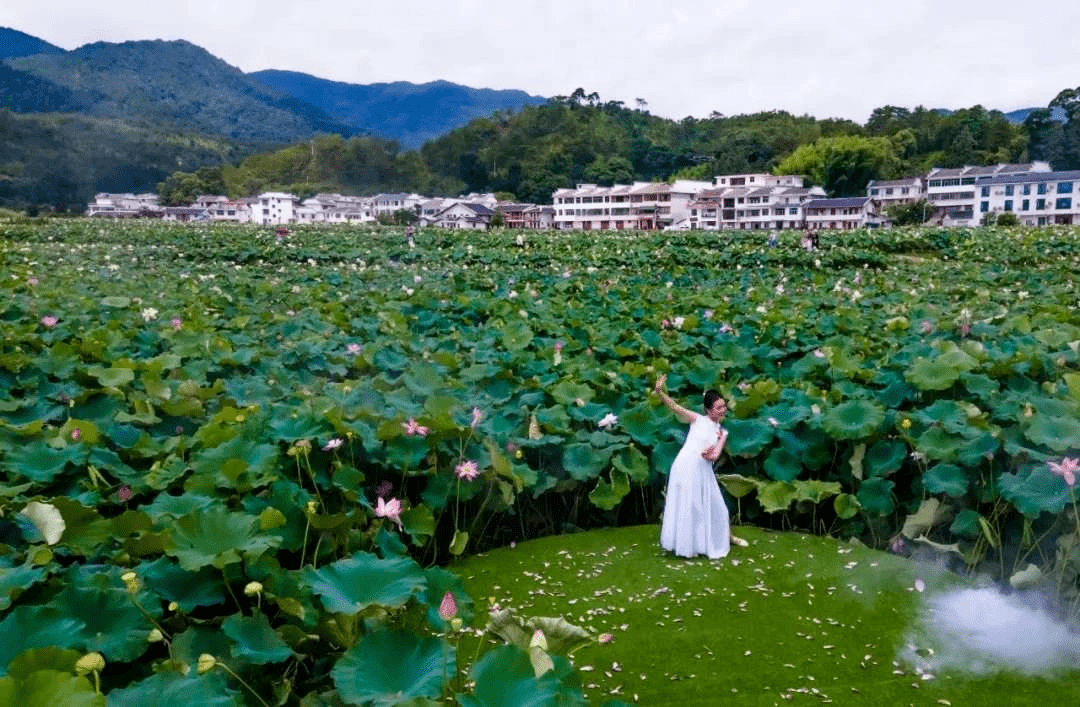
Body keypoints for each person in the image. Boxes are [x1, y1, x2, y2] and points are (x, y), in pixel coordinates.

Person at [653, 374, 747, 558]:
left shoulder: (722, 431)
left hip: (703, 470)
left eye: (723, 406)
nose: (722, 410)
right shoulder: (697, 419)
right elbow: (674, 407)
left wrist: (716, 446)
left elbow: (714, 456)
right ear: (708, 410)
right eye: (718, 407)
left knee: (719, 507)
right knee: (691, 506)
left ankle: (728, 536)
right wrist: (659, 392)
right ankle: (690, 546)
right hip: (685, 466)